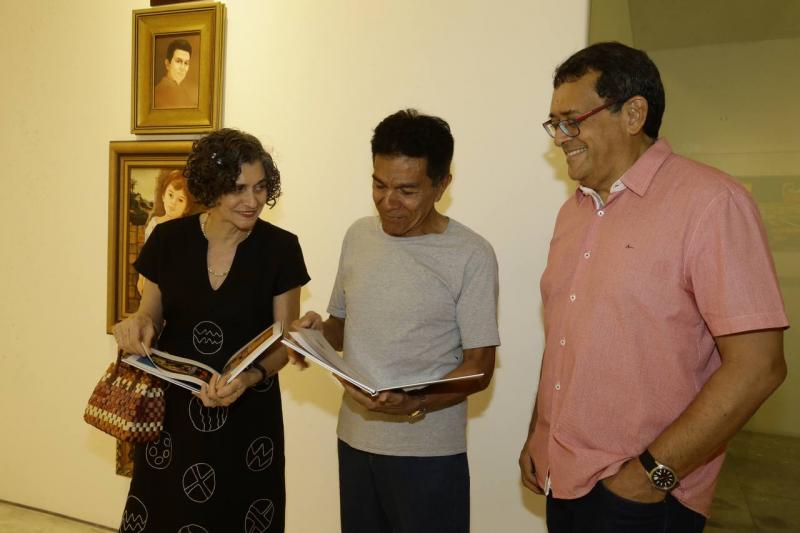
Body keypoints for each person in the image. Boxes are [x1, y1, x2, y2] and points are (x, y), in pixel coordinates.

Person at [518, 41, 788, 532]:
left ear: (633, 114)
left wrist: (649, 476)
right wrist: (540, 433)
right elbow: (563, 337)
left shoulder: (712, 203)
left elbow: (758, 367)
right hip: (563, 480)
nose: (560, 138)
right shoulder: (572, 213)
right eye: (554, 124)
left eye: (572, 121)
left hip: (645, 496)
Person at [293, 109, 500, 533]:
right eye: (379, 184)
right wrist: (315, 336)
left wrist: (416, 403)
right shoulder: (358, 236)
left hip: (428, 456)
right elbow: (342, 327)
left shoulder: (471, 254)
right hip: (354, 442)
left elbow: (479, 368)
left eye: (407, 190)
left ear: (442, 185)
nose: (389, 201)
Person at [113, 128, 310, 532]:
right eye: (238, 189)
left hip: (248, 412)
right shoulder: (168, 239)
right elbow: (150, 315)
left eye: (260, 187)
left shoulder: (281, 248)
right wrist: (137, 325)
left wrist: (249, 377)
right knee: (165, 512)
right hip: (174, 412)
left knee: (239, 515)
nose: (252, 200)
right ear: (211, 186)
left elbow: (284, 340)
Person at [136, 169, 199, 295]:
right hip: (154, 276)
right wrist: (141, 277)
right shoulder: (154, 224)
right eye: (170, 195)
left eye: (180, 200)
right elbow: (146, 255)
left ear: (187, 207)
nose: (173, 203)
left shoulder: (186, 229)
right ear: (163, 196)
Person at [153, 38, 196, 109]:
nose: (182, 68)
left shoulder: (181, 92)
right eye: (178, 61)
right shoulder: (159, 93)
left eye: (186, 63)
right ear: (167, 64)